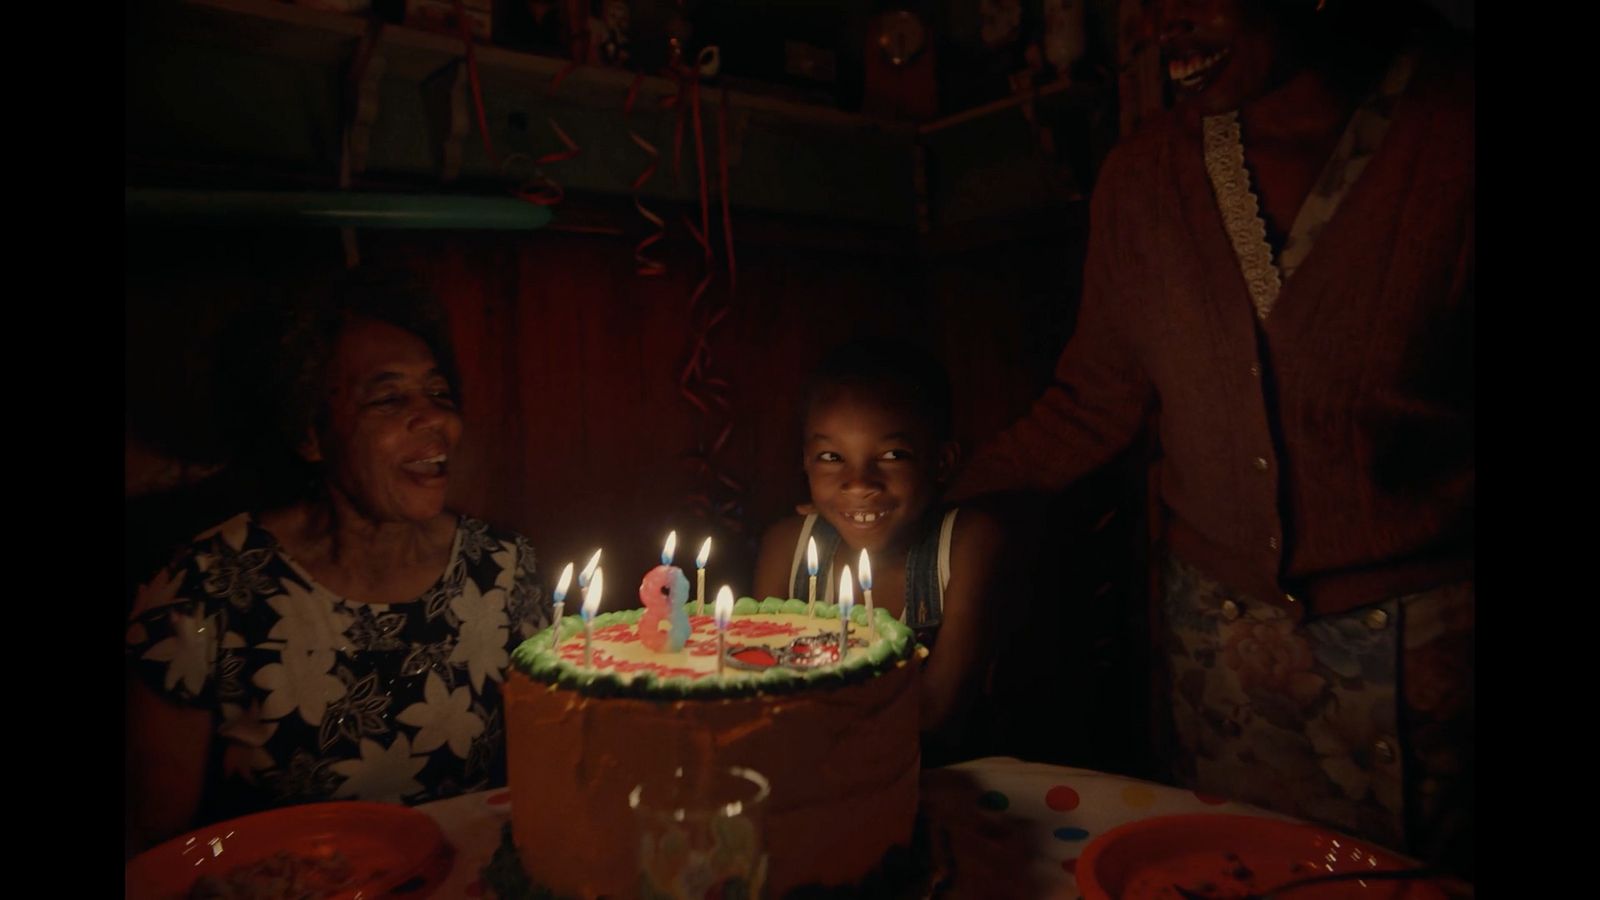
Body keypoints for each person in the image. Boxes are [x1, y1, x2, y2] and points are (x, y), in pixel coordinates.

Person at [949, 0, 1473, 871]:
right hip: (1222, 669)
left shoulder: (1452, 133)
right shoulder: (1145, 179)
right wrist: (932, 513)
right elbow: (1089, 404)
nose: (1158, 24)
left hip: (1433, 681)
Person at [125, 270, 550, 853]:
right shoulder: (207, 588)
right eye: (389, 398)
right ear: (310, 436)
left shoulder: (502, 570)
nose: (436, 421)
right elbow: (153, 847)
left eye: (439, 394)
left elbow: (548, 773)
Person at [753, 338, 1007, 749]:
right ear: (805, 460)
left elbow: (936, 711)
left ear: (942, 461)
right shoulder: (787, 548)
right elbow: (762, 689)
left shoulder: (966, 544)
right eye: (832, 457)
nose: (858, 482)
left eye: (892, 455)